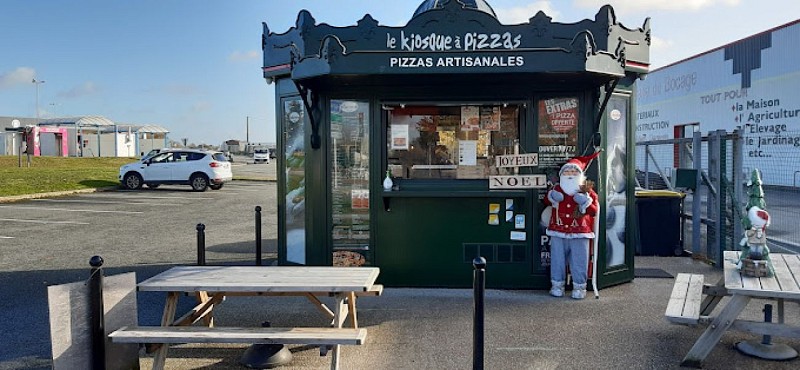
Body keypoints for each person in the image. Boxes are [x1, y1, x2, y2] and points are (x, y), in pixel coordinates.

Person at [544, 152, 600, 299]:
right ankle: (557, 285)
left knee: (579, 260)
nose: (570, 174)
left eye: (573, 171)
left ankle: (579, 286)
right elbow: (546, 201)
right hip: (558, 230)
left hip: (580, 231)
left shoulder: (587, 191)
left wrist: (585, 202)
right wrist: (551, 198)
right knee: (557, 260)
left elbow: (594, 211)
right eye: (567, 171)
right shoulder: (557, 189)